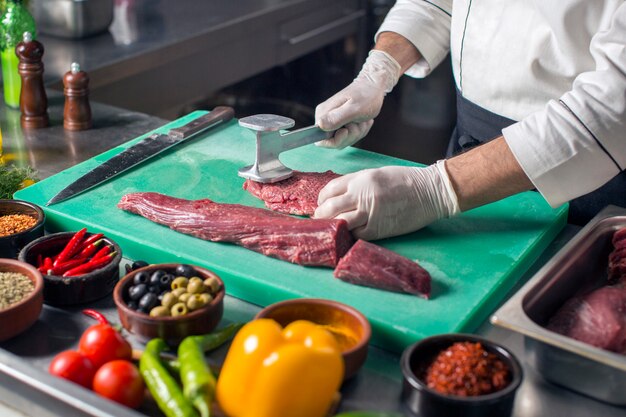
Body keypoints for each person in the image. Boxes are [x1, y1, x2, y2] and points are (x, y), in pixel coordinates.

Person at [312, 0, 626, 241]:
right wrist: (379, 69)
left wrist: (435, 190)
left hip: (586, 170)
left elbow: (615, 103)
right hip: (467, 148)